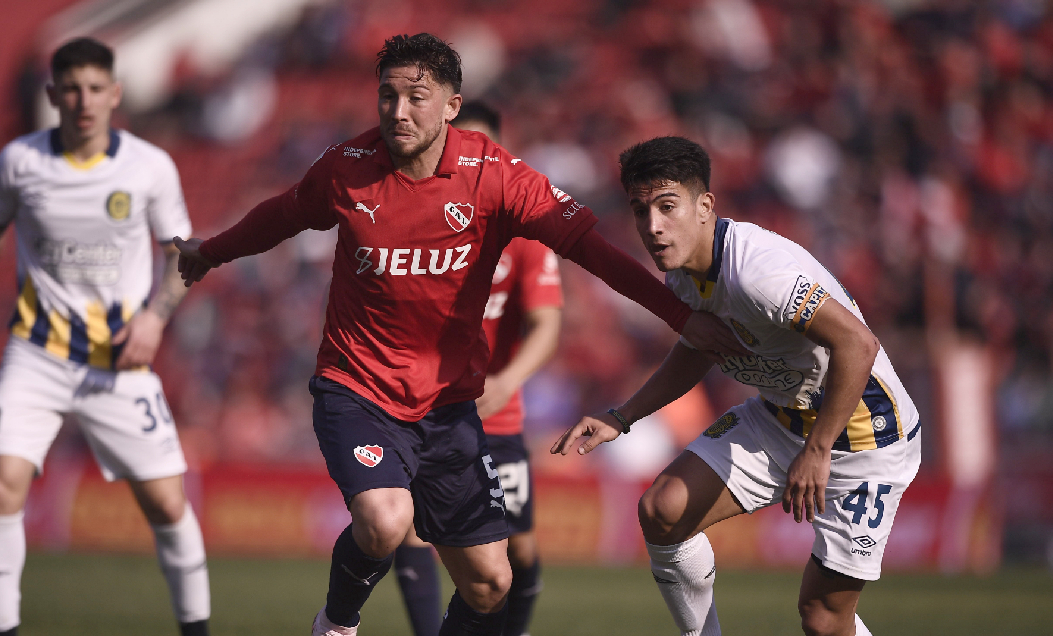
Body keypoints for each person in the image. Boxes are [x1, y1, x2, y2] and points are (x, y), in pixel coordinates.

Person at [174, 34, 747, 636]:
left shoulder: (495, 176)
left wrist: (679, 315)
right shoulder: (348, 166)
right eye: (387, 96)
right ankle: (336, 625)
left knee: (491, 583)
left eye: (416, 97)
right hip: (357, 388)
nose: (398, 111)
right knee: (386, 519)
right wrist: (211, 252)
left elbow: (590, 248)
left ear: (451, 106)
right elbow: (282, 215)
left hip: (448, 407)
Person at [552, 136, 922, 636]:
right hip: (779, 418)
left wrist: (817, 450)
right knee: (663, 510)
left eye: (667, 207)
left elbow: (859, 344)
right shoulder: (684, 271)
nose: (653, 226)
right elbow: (702, 346)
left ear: (705, 206)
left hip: (864, 439)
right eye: (641, 211)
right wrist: (623, 416)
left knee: (823, 619)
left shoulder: (757, 274)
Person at [0, 38, 211, 636]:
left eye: (94, 89)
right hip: (35, 354)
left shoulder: (149, 167)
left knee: (168, 503)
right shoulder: (20, 161)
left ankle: (196, 629)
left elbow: (183, 256)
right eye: (72, 89)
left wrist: (154, 319)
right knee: (0, 487)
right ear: (52, 95)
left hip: (119, 360)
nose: (84, 101)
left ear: (114, 94)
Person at [393, 101, 559, 636]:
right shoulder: (413, 217)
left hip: (495, 414)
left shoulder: (525, 229)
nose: (470, 158)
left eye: (482, 147)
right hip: (427, 408)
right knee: (412, 529)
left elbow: (547, 323)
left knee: (517, 550)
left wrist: (508, 381)